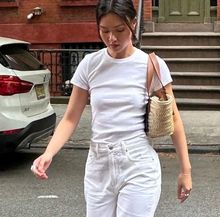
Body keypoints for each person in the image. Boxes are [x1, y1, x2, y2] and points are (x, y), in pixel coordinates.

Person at [31, 0, 192, 216]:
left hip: (137, 162)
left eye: (119, 30)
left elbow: (173, 119)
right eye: (104, 30)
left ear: (133, 24)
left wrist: (185, 171)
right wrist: (48, 153)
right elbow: (70, 117)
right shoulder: (90, 64)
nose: (112, 38)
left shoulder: (151, 65)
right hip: (99, 164)